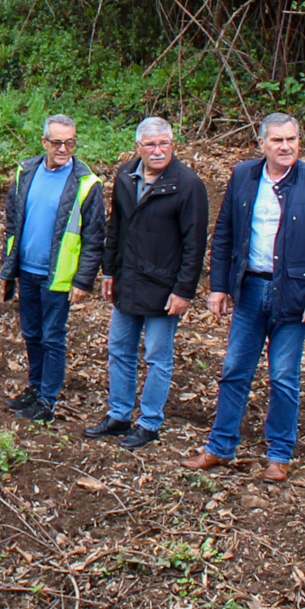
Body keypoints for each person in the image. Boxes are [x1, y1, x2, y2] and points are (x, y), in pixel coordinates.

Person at [189, 112, 305, 483]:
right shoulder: (244, 176)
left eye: (291, 139)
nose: (286, 146)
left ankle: (278, 454)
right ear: (262, 144)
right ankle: (220, 446)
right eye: (277, 140)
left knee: (284, 377)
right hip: (250, 289)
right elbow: (225, 232)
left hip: (293, 294)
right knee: (234, 371)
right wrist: (218, 285)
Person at [86, 116, 207, 450]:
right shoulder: (126, 175)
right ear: (138, 147)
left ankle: (149, 422)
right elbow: (116, 228)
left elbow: (195, 245)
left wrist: (184, 291)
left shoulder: (187, 185)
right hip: (127, 280)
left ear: (173, 145)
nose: (158, 151)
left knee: (157, 357)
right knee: (119, 349)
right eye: (150, 145)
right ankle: (119, 415)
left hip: (163, 286)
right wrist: (109, 271)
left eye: (164, 144)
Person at [0, 115, 105, 423]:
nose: (63, 148)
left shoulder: (86, 183)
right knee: (31, 332)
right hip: (27, 269)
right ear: (44, 142)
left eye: (69, 142)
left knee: (52, 336)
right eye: (57, 142)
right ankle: (35, 387)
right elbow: (12, 221)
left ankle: (48, 398)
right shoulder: (25, 173)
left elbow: (94, 238)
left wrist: (83, 280)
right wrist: (9, 266)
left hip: (59, 275)